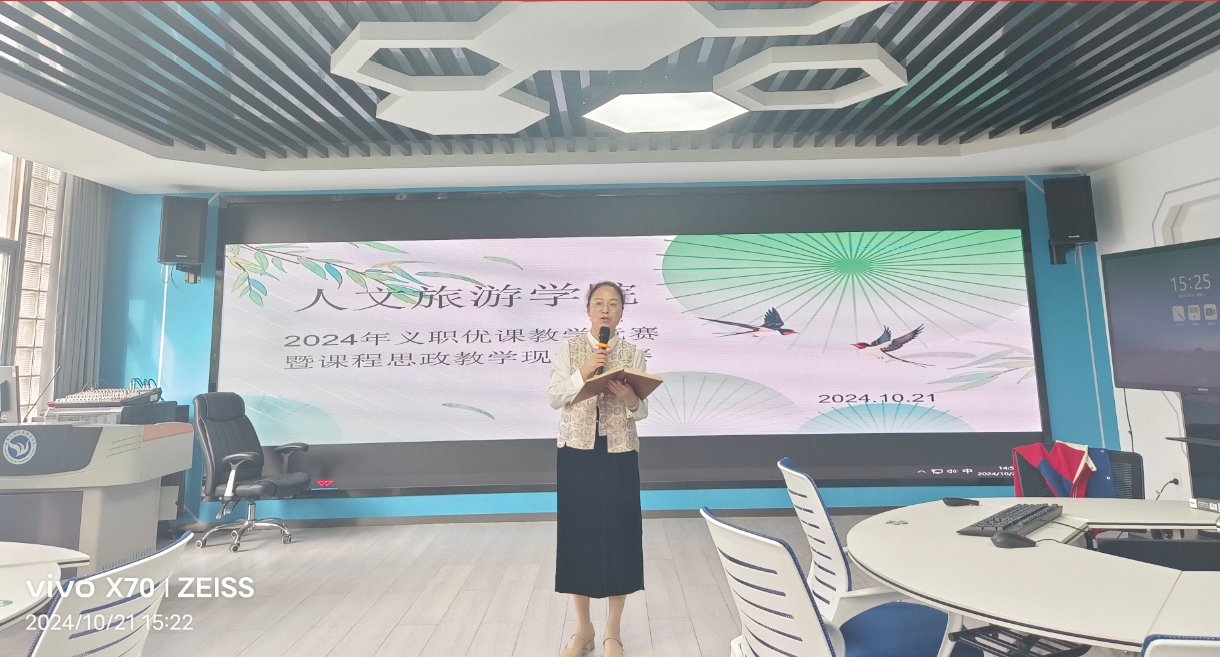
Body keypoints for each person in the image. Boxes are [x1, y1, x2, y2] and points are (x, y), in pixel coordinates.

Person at [547, 281, 648, 657]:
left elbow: (643, 411)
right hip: (577, 451)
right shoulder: (569, 349)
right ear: (588, 310)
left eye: (614, 304)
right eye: (599, 303)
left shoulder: (633, 353)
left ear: (622, 312)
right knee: (579, 537)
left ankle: (612, 632)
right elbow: (555, 397)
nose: (606, 309)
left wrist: (631, 398)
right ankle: (583, 629)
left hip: (619, 451)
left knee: (620, 537)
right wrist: (586, 370)